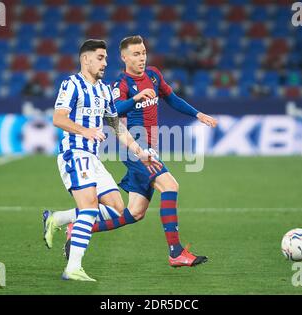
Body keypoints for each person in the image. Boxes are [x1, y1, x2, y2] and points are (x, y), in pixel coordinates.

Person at [63, 35, 218, 267]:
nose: (142, 58)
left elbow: (172, 99)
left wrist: (198, 114)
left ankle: (77, 230)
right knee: (170, 185)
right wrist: (135, 99)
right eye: (136, 54)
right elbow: (110, 112)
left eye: (144, 52)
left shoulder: (154, 75)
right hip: (135, 150)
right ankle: (175, 252)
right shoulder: (121, 85)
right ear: (124, 57)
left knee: (135, 213)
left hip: (149, 149)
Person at [43, 39, 161, 282]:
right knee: (88, 209)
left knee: (119, 210)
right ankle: (72, 268)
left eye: (106, 58)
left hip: (93, 158)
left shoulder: (104, 90)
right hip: (74, 153)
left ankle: (58, 218)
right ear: (85, 59)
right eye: (100, 58)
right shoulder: (72, 84)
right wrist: (84, 131)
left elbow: (117, 126)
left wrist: (140, 152)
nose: (105, 63)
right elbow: (58, 118)